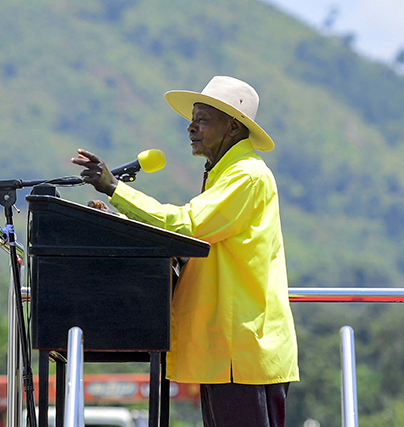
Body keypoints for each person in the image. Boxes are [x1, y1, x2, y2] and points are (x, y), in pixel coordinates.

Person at [71, 76, 298, 427]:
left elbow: (187, 225)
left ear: (233, 127)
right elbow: (187, 240)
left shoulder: (247, 175)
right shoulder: (226, 176)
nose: (191, 128)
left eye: (203, 119)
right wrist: (120, 223)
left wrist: (116, 189)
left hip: (240, 350)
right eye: (193, 119)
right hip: (229, 351)